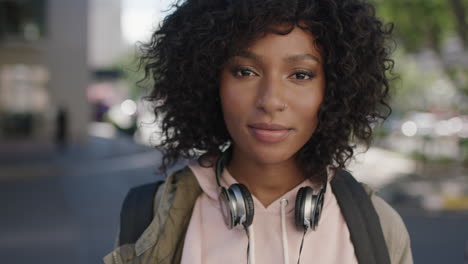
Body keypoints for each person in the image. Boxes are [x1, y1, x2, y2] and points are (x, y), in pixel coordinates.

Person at [104, 0, 413, 263]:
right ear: (212, 81)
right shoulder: (149, 218)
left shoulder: (378, 228)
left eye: (300, 74)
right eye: (245, 71)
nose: (270, 101)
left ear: (332, 88)